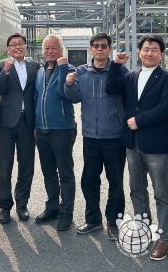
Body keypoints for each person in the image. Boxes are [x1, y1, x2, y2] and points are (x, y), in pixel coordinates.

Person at [105, 35, 168, 260]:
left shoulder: (167, 78)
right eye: (146, 49)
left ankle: (163, 238)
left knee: (161, 193)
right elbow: (110, 87)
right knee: (137, 190)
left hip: (156, 144)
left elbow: (166, 108)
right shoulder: (130, 76)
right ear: (139, 52)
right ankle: (144, 229)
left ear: (161, 54)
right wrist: (116, 64)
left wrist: (139, 120)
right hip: (132, 144)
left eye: (154, 49)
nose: (149, 53)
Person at [64, 33, 127, 241]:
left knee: (115, 181)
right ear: (90, 49)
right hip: (90, 136)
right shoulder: (81, 72)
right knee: (89, 180)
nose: (100, 49)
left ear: (109, 49)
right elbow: (74, 98)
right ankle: (93, 219)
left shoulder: (119, 71)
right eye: (96, 46)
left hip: (114, 137)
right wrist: (69, 84)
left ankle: (114, 221)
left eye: (103, 46)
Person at [0, 33, 40, 224]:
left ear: (25, 46)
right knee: (5, 167)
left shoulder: (35, 66)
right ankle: (5, 206)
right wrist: (6, 70)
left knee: (26, 166)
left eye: (20, 43)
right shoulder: (0, 65)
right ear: (8, 48)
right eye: (13, 44)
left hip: (27, 122)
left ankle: (22, 204)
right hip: (6, 123)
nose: (17, 47)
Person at [34, 35, 76, 232]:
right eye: (47, 48)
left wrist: (62, 67)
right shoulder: (40, 71)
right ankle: (52, 207)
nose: (50, 51)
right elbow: (37, 97)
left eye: (54, 48)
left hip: (62, 130)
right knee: (48, 172)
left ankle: (66, 211)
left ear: (61, 50)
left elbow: (64, 93)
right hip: (42, 130)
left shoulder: (69, 69)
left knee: (65, 173)